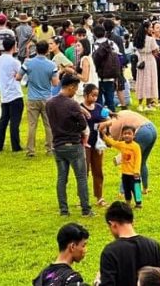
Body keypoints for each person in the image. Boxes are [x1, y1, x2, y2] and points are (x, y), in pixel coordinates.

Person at [46, 73, 92, 217]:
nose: (76, 92)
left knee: (61, 178)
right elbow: (83, 124)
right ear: (71, 87)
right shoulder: (72, 104)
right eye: (76, 88)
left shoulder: (50, 103)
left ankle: (64, 210)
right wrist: (76, 130)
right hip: (73, 145)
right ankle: (86, 209)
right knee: (81, 178)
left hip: (58, 145)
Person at [98, 202, 160, 286]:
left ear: (112, 224)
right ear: (133, 222)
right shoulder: (154, 246)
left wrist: (97, 282)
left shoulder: (110, 252)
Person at [98, 110, 158, 195]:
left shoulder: (113, 124)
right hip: (152, 129)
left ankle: (123, 192)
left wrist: (103, 138)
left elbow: (114, 143)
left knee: (129, 165)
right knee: (142, 162)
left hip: (142, 133)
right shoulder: (121, 113)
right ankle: (144, 189)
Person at [19, 40, 59, 157]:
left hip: (32, 97)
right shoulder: (51, 65)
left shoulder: (28, 63)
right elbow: (55, 83)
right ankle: (50, 148)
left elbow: (18, 76)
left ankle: (30, 150)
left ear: (36, 50)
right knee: (48, 124)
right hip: (47, 98)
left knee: (32, 125)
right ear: (47, 51)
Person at [0, 37, 24, 152]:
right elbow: (20, 75)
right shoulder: (14, 62)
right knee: (14, 122)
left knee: (3, 120)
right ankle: (15, 146)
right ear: (13, 46)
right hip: (15, 93)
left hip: (5, 94)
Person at [81, 83, 107, 207]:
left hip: (97, 144)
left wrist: (104, 125)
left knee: (98, 170)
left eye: (96, 95)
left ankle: (99, 197)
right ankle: (83, 198)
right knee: (84, 172)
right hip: (84, 144)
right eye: (92, 95)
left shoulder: (98, 107)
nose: (95, 98)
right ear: (85, 95)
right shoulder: (80, 108)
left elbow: (108, 120)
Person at [134, 22, 158, 111]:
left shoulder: (137, 39)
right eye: (151, 27)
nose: (152, 29)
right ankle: (148, 104)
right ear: (146, 29)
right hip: (150, 60)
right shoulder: (151, 39)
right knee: (150, 81)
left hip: (141, 61)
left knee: (141, 81)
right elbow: (155, 51)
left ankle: (140, 104)